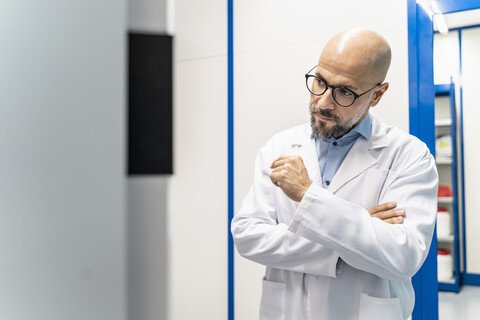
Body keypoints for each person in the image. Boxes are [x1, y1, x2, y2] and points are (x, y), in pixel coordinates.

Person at [231, 28, 438, 320]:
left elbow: (402, 257)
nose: (323, 102)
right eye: (319, 82)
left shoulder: (408, 156)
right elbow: (248, 235)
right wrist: (353, 235)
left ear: (377, 94)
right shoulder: (279, 146)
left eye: (344, 91)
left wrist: (307, 196)